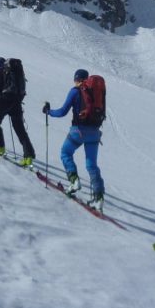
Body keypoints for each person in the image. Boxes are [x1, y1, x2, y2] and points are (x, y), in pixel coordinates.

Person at [43, 69, 104, 206]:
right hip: (94, 132)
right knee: (92, 165)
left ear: (76, 79)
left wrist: (48, 111)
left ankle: (74, 181)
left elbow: (62, 112)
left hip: (78, 131)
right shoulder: (96, 92)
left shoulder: (75, 91)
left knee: (66, 153)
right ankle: (99, 198)